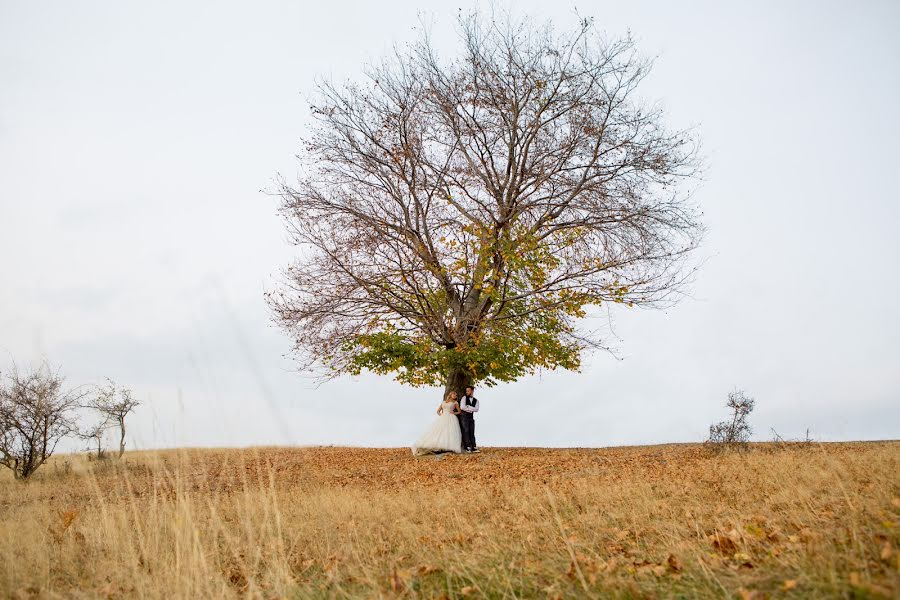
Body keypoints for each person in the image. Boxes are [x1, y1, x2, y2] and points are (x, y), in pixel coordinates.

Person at [411, 391, 463, 456]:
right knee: (438, 431)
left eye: (456, 395)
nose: (455, 396)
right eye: (454, 395)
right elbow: (438, 411)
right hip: (443, 417)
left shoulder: (455, 403)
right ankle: (437, 447)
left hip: (451, 418)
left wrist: (454, 413)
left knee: (448, 432)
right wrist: (442, 415)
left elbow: (459, 411)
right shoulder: (444, 402)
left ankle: (446, 448)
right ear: (450, 395)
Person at [458, 385, 480, 453]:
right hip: (464, 417)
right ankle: (467, 447)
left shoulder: (476, 401)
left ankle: (474, 447)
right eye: (466, 391)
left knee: (472, 432)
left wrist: (468, 407)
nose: (467, 392)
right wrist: (471, 409)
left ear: (472, 391)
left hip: (471, 418)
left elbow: (476, 409)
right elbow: (462, 407)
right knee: (466, 431)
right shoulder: (464, 398)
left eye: (468, 391)